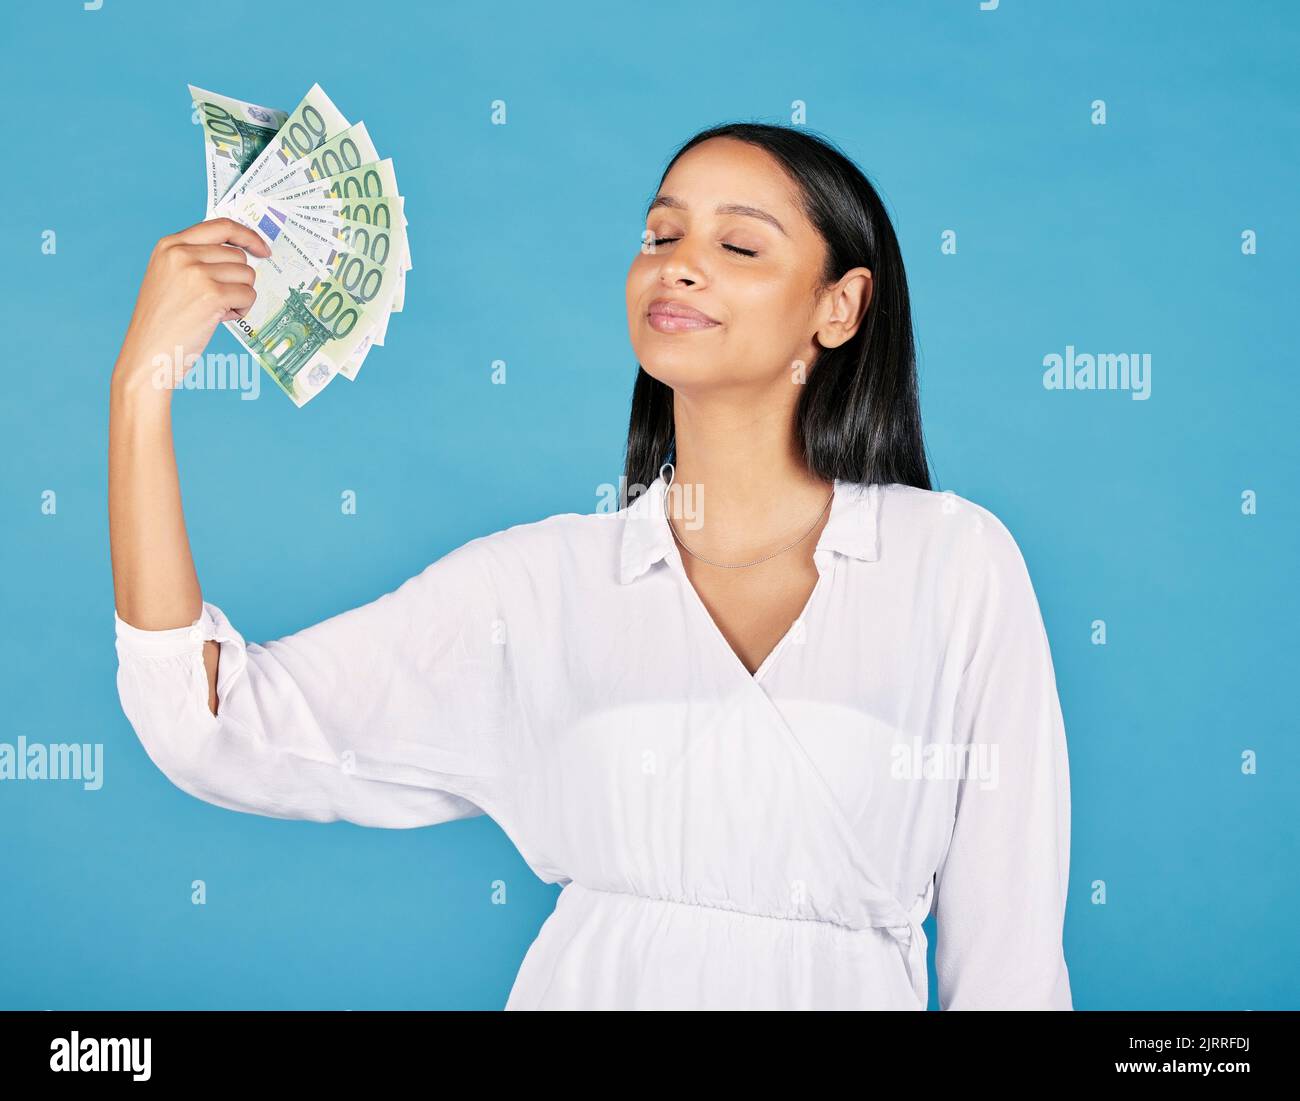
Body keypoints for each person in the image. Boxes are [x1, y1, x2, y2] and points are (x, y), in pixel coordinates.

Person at [109, 122, 1073, 1011]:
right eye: (660, 237)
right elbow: (210, 724)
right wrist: (141, 388)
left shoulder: (952, 564)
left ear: (839, 306)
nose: (680, 266)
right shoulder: (535, 587)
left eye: (737, 246)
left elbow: (1011, 968)